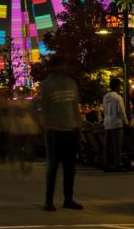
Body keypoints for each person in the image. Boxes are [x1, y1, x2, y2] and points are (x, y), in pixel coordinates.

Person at [38, 55, 84, 211]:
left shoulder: (71, 84)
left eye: (65, 65)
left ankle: (68, 199)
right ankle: (48, 200)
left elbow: (74, 107)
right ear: (54, 67)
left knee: (70, 167)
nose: (64, 68)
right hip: (54, 131)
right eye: (61, 65)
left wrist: (78, 127)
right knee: (53, 167)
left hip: (70, 130)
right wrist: (45, 124)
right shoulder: (46, 85)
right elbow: (43, 107)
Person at [102, 76, 129, 172]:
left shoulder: (105, 97)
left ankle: (106, 164)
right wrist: (125, 121)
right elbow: (121, 111)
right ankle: (117, 164)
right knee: (117, 145)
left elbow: (104, 110)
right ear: (117, 87)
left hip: (107, 122)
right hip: (117, 123)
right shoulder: (118, 98)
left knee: (107, 145)